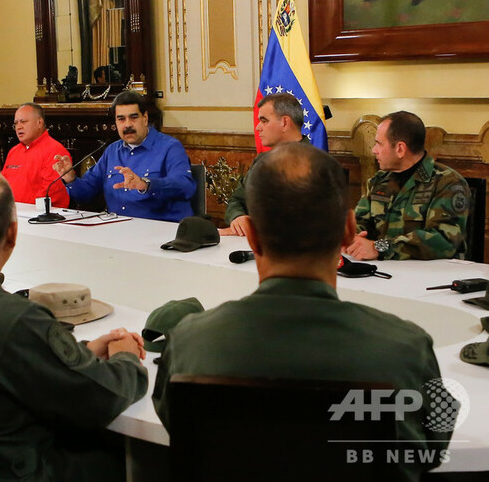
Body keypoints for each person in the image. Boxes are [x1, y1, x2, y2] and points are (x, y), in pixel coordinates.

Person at [152, 143, 452, 481]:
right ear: (348, 230)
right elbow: (432, 448)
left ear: (251, 238)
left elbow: (173, 427)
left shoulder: (189, 344)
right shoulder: (405, 350)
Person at [0, 167, 148, 481]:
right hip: (17, 470)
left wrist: (84, 350)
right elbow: (102, 398)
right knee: (138, 460)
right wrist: (126, 356)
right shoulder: (14, 318)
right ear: (12, 233)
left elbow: (15, 361)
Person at [344, 111, 468, 261]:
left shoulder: (447, 182)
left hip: (431, 272)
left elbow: (443, 240)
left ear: (400, 149)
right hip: (383, 269)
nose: (374, 150)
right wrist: (352, 238)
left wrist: (379, 248)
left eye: (379, 143)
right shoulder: (380, 180)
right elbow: (362, 221)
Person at [53, 91, 195, 221]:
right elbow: (87, 193)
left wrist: (146, 184)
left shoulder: (170, 147)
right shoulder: (112, 151)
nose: (127, 125)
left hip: (160, 229)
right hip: (117, 228)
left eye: (133, 118)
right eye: (121, 119)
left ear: (145, 118)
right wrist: (71, 179)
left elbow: (186, 187)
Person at [222, 93, 311, 236]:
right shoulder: (262, 161)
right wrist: (238, 217)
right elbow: (237, 200)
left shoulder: (317, 165)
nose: (258, 127)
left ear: (285, 123)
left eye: (264, 121)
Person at [2, 103, 71, 207]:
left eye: (23, 122)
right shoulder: (14, 151)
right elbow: (2, 185)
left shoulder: (55, 150)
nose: (19, 127)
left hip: (40, 214)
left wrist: (19, 209)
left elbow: (50, 193)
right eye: (16, 123)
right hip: (12, 212)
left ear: (39, 123)